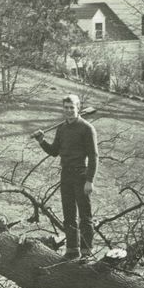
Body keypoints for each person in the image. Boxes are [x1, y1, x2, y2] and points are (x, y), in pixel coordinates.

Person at [33, 94, 99, 260]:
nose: (69, 111)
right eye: (66, 108)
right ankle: (72, 249)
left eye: (72, 108)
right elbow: (55, 151)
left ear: (78, 108)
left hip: (81, 175)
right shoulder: (61, 129)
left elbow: (94, 156)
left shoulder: (87, 128)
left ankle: (86, 252)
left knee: (85, 216)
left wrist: (90, 180)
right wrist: (42, 141)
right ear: (63, 109)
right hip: (66, 174)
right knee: (68, 214)